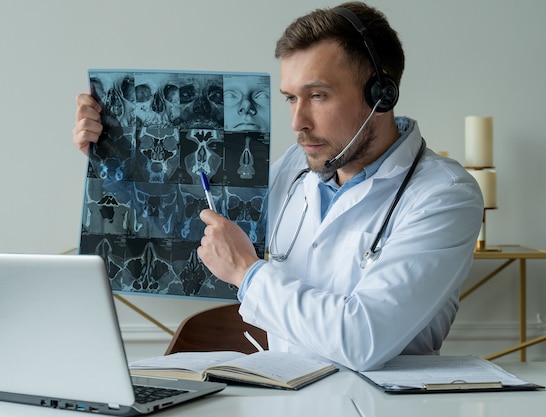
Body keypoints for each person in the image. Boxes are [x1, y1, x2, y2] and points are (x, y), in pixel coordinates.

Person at [73, 2, 484, 371]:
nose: (297, 122)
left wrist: (248, 273)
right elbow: (195, 228)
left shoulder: (443, 196)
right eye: (290, 98)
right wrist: (111, 153)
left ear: (382, 94)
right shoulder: (293, 167)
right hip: (282, 395)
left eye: (317, 95)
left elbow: (362, 340)